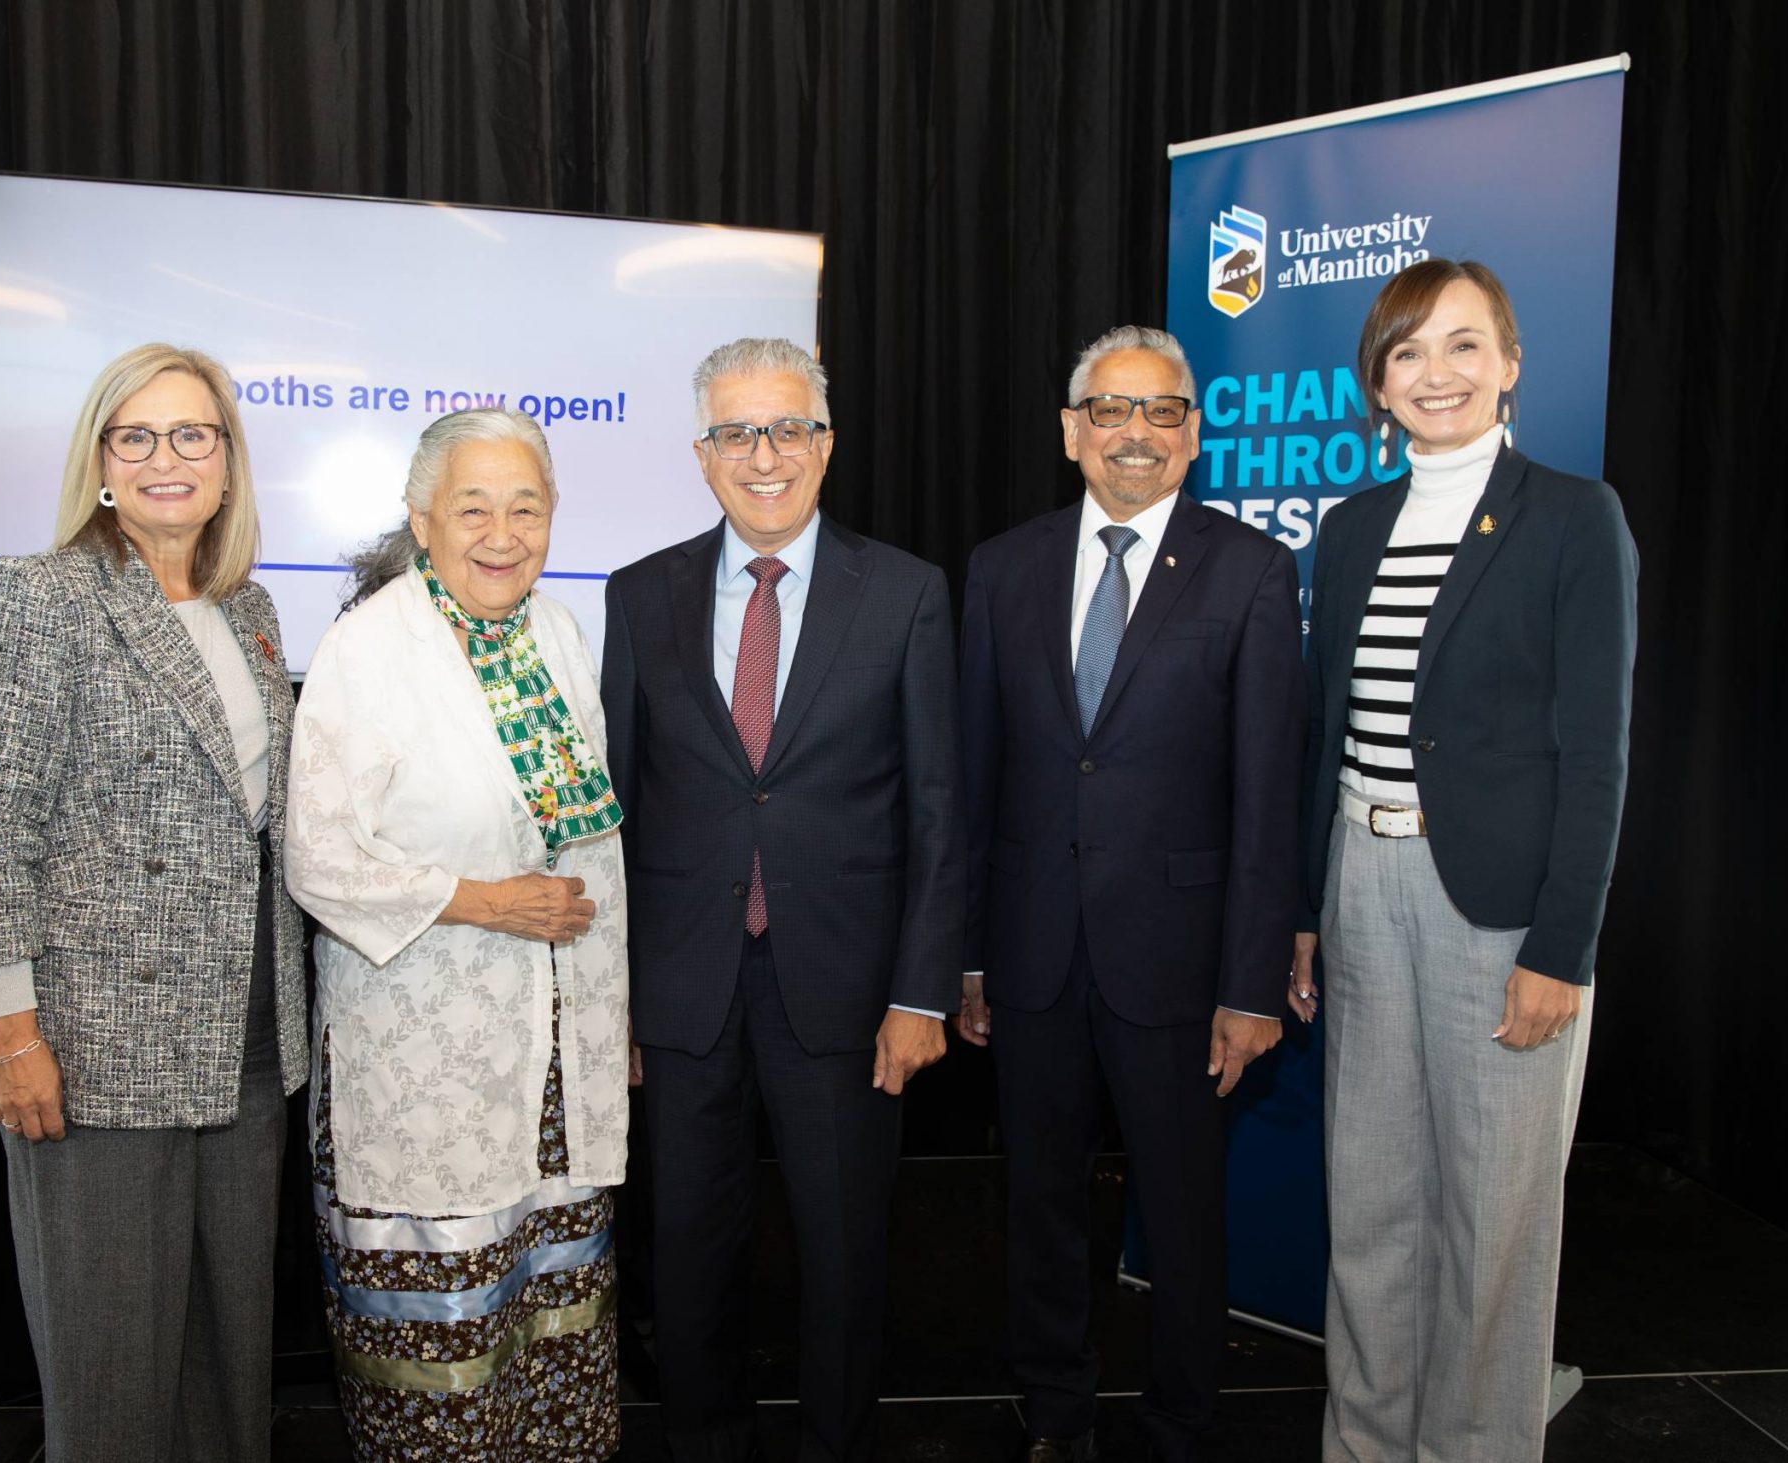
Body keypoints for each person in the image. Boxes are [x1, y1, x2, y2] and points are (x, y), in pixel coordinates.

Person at [1291, 259, 1638, 1462]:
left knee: (1491, 1219)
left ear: (1508, 364)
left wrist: (1561, 947)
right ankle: (1366, 1442)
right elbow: (1322, 724)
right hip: (1360, 882)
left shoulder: (1571, 516)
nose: (1431, 373)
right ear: (1375, 385)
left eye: (1459, 346)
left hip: (1498, 913)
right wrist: (1303, 912)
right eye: (1404, 352)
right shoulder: (1348, 528)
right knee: (1369, 1205)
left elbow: (1595, 756)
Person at [0, 343, 308, 1459]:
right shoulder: (34, 594)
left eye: (192, 434)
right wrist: (11, 1030)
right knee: (111, 1390)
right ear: (100, 461)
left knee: (223, 1375)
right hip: (92, 1044)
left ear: (229, 462)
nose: (165, 458)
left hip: (243, 1039)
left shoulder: (251, 609)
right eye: (134, 435)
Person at [601, 337, 964, 1463]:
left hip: (849, 993)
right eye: (736, 433)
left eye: (788, 429)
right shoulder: (639, 592)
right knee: (689, 1250)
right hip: (681, 986)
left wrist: (920, 994)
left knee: (845, 1253)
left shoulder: (903, 591)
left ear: (826, 444)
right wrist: (610, 999)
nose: (765, 457)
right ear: (702, 453)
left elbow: (938, 810)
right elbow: (608, 811)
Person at [958, 325, 1304, 1462]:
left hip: (1181, 962)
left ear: (1194, 434)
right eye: (1111, 410)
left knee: (1183, 1213)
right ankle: (1053, 1412)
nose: (1136, 433)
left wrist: (1251, 980)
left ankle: (1178, 1422)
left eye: (1162, 411)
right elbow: (976, 772)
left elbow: (1267, 793)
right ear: (1071, 432)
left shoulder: (1249, 568)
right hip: (1031, 955)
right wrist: (965, 956)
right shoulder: (1001, 568)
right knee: (1038, 1207)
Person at [285, 408, 629, 1462]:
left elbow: (593, 855)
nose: (501, 531)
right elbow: (319, 857)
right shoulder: (368, 648)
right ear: (420, 518)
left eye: (525, 507)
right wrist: (485, 900)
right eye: (471, 506)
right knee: (444, 1342)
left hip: (557, 1067)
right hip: (420, 1064)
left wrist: (616, 1024)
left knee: (553, 1325)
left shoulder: (560, 634)